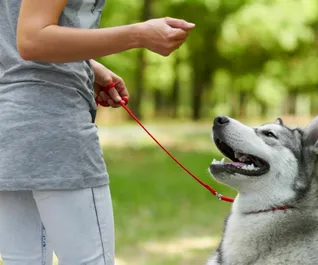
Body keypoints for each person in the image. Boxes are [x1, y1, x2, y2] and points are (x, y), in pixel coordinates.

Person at [0, 0, 195, 264]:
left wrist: (87, 67)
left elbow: (14, 34)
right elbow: (31, 39)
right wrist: (138, 34)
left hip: (10, 129)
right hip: (55, 126)